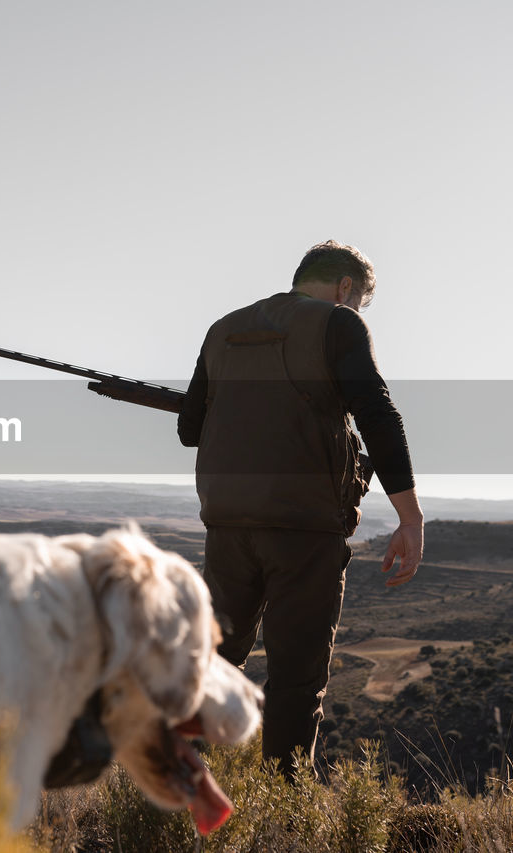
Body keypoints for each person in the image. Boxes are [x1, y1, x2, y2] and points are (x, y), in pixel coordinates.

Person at [177, 240, 423, 778]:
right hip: (304, 531)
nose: (355, 311)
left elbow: (189, 429)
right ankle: (286, 805)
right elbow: (379, 418)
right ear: (345, 288)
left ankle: (178, 787)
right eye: (358, 301)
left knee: (214, 662)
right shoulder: (339, 325)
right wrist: (410, 517)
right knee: (295, 677)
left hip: (227, 526)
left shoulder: (223, 328)